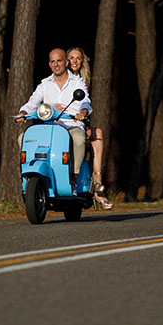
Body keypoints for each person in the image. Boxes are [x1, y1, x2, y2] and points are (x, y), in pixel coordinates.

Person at [16, 48, 91, 174]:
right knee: (23, 138)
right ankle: (29, 173)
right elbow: (33, 102)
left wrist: (82, 113)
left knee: (78, 139)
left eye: (59, 61)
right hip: (49, 127)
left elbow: (85, 101)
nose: (56, 64)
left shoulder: (77, 82)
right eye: (53, 61)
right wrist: (23, 113)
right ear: (50, 64)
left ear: (66, 62)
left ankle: (74, 176)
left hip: (71, 125)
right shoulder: (45, 84)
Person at [66, 47, 113, 210]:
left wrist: (83, 114)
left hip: (77, 124)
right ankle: (96, 186)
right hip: (62, 125)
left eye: (78, 58)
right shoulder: (60, 80)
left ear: (82, 61)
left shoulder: (82, 81)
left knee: (97, 133)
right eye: (71, 58)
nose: (75, 61)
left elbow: (84, 103)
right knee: (94, 134)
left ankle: (97, 181)